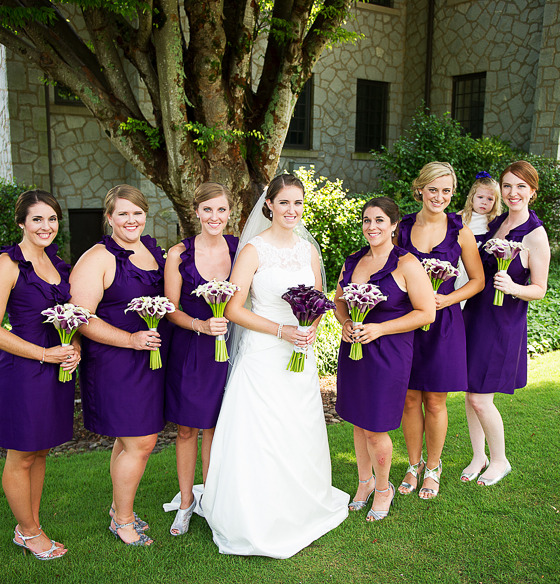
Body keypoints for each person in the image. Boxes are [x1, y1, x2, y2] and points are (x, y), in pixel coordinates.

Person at [201, 173, 349, 558]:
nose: (291, 210)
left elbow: (318, 301)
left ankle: (301, 505)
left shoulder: (308, 251)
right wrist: (282, 330)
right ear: (269, 205)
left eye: (298, 203)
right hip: (264, 353)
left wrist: (309, 328)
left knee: (297, 425)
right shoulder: (253, 250)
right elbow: (233, 309)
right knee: (263, 430)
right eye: (284, 202)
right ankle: (256, 514)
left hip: (300, 353)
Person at [0, 190, 78, 560]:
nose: (46, 226)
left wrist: (74, 349)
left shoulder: (58, 265)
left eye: (52, 219)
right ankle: (31, 532)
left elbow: (72, 319)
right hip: (23, 372)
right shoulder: (8, 264)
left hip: (55, 372)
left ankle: (30, 524)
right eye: (37, 219)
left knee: (40, 452)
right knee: (21, 455)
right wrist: (43, 354)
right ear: (21, 222)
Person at [69, 185, 168, 546]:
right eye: (122, 213)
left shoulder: (151, 251)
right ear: (109, 218)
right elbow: (80, 318)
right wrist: (130, 339)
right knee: (141, 441)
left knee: (130, 440)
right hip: (115, 361)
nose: (131, 220)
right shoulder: (97, 258)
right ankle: (123, 520)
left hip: (150, 359)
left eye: (137, 212)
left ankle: (118, 509)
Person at [333, 197, 437, 521]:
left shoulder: (407, 264)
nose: (372, 227)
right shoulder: (353, 261)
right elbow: (338, 300)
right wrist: (346, 323)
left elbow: (426, 312)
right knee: (357, 419)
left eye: (380, 220)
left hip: (388, 355)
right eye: (367, 220)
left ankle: (383, 489)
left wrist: (380, 329)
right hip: (353, 351)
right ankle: (364, 483)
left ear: (394, 225)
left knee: (376, 428)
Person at [395, 161, 485, 499]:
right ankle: (413, 464)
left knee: (434, 400)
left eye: (446, 191)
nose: (439, 196)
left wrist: (446, 300)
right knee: (408, 398)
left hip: (444, 324)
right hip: (407, 323)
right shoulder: (400, 228)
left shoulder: (460, 231)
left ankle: (433, 467)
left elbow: (477, 281)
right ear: (420, 189)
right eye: (433, 189)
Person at [462, 160, 551, 486]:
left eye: (521, 187)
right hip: (475, 316)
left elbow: (539, 289)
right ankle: (478, 456)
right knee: (470, 391)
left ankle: (500, 460)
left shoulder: (535, 235)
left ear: (532, 192)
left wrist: (513, 288)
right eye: (508, 186)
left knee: (480, 398)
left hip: (503, 323)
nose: (514, 192)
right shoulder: (497, 222)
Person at [162, 182, 238, 536]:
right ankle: (186, 502)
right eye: (207, 209)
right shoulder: (179, 254)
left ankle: (210, 498)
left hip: (230, 349)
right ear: (196, 212)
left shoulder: (240, 249)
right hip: (190, 349)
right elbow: (169, 309)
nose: (214, 217)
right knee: (187, 427)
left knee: (215, 427)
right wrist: (200, 325)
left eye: (221, 210)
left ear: (229, 212)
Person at [455, 172, 502, 302]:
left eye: (490, 199)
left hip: (479, 269)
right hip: (459, 266)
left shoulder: (494, 222)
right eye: (480, 197)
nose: (484, 202)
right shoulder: (461, 217)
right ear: (472, 197)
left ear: (496, 201)